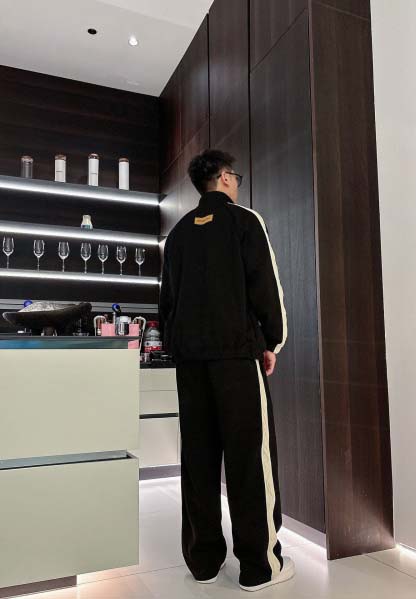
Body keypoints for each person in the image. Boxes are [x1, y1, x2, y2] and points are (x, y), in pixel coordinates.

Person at [158, 148, 295, 592]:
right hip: (235, 357)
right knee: (248, 459)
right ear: (223, 178)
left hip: (190, 363)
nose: (236, 182)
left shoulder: (178, 234)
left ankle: (203, 563)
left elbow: (166, 303)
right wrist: (271, 341)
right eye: (234, 175)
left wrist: (179, 347)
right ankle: (259, 567)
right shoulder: (244, 221)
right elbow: (265, 285)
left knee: (198, 459)